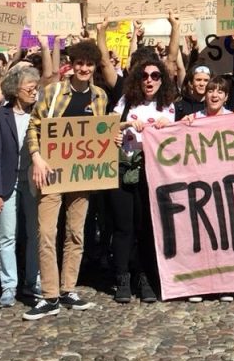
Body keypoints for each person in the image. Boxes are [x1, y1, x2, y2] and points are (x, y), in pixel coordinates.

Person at [24, 41, 109, 319]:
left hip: (81, 175)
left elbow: (100, 133)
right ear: (72, 65)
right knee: (47, 233)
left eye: (89, 64)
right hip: (51, 172)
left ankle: (68, 288)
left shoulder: (99, 96)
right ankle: (50, 295)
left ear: (94, 67)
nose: (84, 68)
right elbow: (34, 126)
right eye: (79, 63)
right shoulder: (53, 92)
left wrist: (115, 137)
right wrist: (36, 157)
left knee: (76, 233)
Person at [111, 59, 176, 303]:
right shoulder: (125, 102)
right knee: (123, 227)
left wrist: (167, 126)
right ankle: (122, 277)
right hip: (123, 169)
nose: (149, 80)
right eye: (145, 76)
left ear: (162, 80)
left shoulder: (167, 106)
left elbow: (175, 138)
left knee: (146, 227)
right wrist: (124, 126)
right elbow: (109, 127)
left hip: (151, 174)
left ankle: (145, 276)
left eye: (155, 76)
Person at [0, 66, 42, 309]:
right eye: (30, 87)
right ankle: (9, 285)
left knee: (35, 233)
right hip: (8, 180)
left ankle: (33, 280)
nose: (34, 91)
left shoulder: (40, 113)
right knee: (7, 235)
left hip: (34, 179)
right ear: (15, 89)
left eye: (36, 87)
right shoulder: (1, 116)